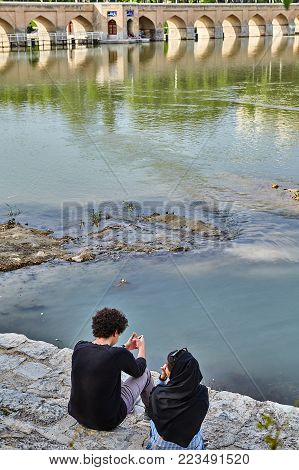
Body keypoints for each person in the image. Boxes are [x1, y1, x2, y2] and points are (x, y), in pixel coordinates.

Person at [68, 307, 154, 431]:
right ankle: (151, 413)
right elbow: (139, 370)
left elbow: (103, 355)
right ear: (115, 332)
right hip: (107, 421)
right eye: (119, 334)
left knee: (108, 374)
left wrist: (124, 347)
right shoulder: (117, 354)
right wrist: (141, 348)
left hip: (77, 414)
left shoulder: (80, 346)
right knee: (146, 373)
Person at [147, 348, 209, 450]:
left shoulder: (159, 395)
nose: (165, 367)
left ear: (174, 373)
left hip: (162, 447)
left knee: (153, 420)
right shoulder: (202, 394)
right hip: (192, 447)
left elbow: (154, 395)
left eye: (167, 366)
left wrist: (162, 379)